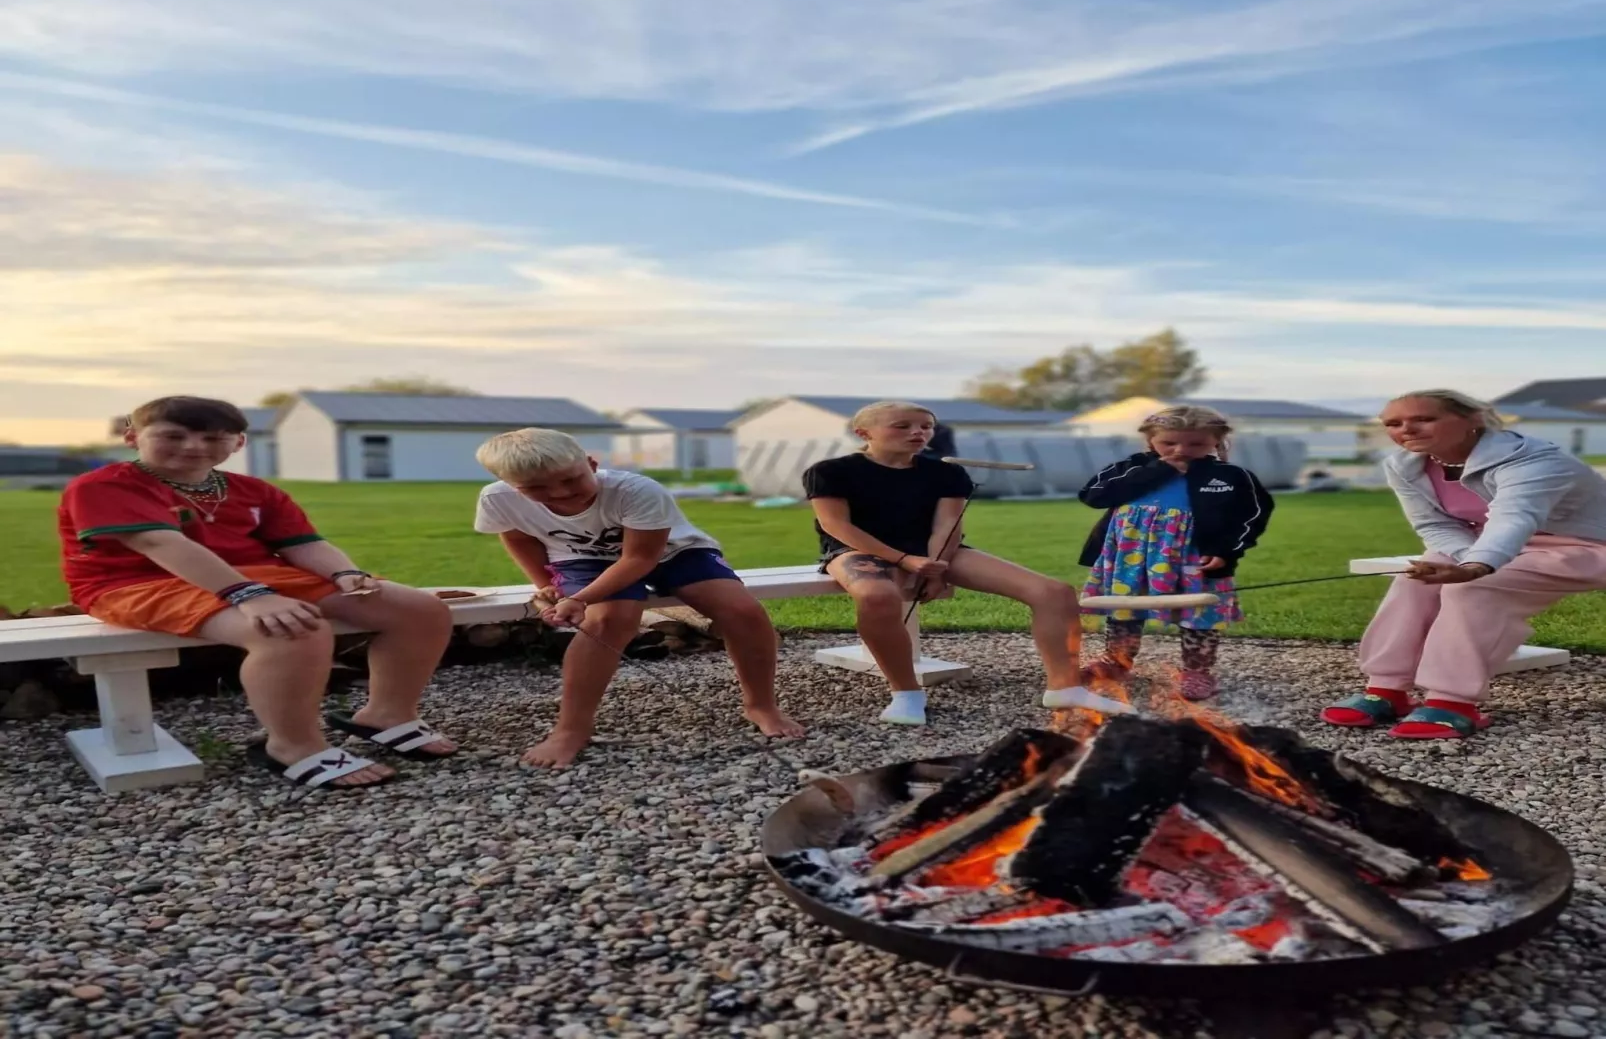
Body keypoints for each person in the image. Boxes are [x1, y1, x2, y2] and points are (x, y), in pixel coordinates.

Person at [58, 396, 457, 790]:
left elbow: (303, 545)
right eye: (173, 436)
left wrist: (345, 573)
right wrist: (250, 596)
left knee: (419, 611)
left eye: (214, 437)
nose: (194, 447)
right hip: (137, 582)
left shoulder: (254, 491)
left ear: (238, 443)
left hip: (253, 575)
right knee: (290, 628)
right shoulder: (104, 486)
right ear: (133, 437)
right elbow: (159, 545)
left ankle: (388, 714)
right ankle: (293, 746)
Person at [473, 428, 805, 768]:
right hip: (582, 559)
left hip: (672, 551)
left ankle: (761, 705)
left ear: (591, 463)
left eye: (571, 479)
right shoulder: (496, 498)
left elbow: (639, 560)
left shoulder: (636, 490)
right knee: (607, 621)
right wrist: (545, 584)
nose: (560, 494)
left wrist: (581, 598)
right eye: (536, 489)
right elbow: (517, 537)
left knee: (742, 611)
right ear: (512, 486)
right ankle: (571, 729)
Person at [1322, 389, 1606, 740]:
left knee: (1474, 588)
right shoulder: (1403, 466)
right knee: (1413, 579)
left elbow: (1514, 518)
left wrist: (1474, 567)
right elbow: (1433, 525)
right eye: (1393, 424)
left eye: (1424, 419)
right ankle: (1386, 689)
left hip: (1582, 546)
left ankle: (1453, 702)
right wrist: (1462, 559)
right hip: (1482, 544)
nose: (1406, 430)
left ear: (1472, 419)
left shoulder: (1533, 460)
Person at [802, 401, 1082, 726]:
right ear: (863, 432)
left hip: (933, 550)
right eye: (902, 426)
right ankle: (906, 693)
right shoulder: (830, 472)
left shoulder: (946, 472)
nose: (918, 432)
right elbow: (837, 526)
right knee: (878, 596)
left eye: (926, 426)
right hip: (856, 549)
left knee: (1054, 592)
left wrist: (937, 567)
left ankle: (1066, 687)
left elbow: (947, 525)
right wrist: (905, 561)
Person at [1077, 405, 1274, 700]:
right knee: (1123, 607)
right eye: (1169, 443)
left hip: (1195, 558)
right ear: (1150, 440)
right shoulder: (1133, 467)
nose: (1182, 450)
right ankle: (1116, 662)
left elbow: (1252, 515)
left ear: (1216, 441)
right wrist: (1161, 469)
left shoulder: (1232, 476)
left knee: (1199, 611)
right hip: (1131, 555)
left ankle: (1197, 670)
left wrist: (1225, 551)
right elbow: (1094, 495)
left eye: (1196, 444)